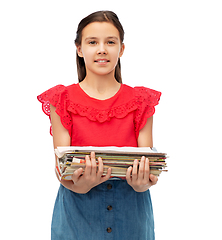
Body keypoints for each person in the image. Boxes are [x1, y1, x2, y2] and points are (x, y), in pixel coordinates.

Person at [37, 10, 161, 240]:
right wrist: (81, 186)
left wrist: (142, 183)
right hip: (77, 212)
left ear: (121, 49)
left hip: (131, 212)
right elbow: (61, 170)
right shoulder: (61, 99)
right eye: (92, 42)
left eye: (110, 42)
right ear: (79, 49)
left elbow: (148, 168)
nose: (102, 49)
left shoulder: (141, 100)